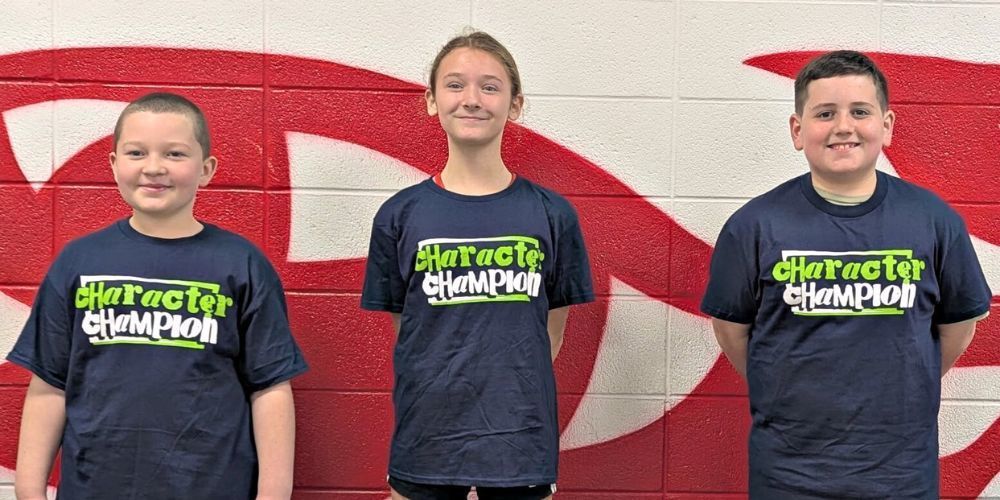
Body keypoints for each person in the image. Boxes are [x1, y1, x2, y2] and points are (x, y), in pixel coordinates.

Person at [701, 50, 992, 499]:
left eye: (860, 111)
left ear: (887, 126)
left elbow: (957, 327)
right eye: (824, 113)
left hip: (900, 475)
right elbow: (733, 331)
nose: (843, 126)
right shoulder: (754, 226)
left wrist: (908, 377)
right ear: (798, 131)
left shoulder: (934, 221)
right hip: (789, 476)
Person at [8, 92, 307, 499]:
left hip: (211, 487)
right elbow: (49, 387)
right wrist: (29, 489)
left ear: (206, 169)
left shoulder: (242, 265)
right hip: (95, 487)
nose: (153, 168)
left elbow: (270, 389)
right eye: (136, 152)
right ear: (114, 165)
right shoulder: (79, 262)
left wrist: (273, 494)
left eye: (175, 154)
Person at [361, 31, 594, 500]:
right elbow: (409, 330)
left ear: (514, 105)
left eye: (489, 87)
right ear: (431, 101)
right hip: (427, 435)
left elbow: (550, 332)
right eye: (454, 85)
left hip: (519, 438)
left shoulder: (552, 215)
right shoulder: (399, 215)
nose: (471, 99)